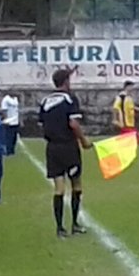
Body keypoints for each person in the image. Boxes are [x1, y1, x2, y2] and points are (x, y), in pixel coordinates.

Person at [39, 69, 93, 238]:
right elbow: (74, 124)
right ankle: (75, 224)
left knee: (59, 187)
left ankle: (60, 228)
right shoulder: (70, 99)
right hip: (68, 147)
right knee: (76, 184)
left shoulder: (45, 101)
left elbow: (42, 125)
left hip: (52, 148)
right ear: (66, 81)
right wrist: (84, 141)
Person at [0, 90, 20, 156]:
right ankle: (8, 151)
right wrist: (6, 120)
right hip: (10, 121)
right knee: (9, 137)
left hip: (15, 121)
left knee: (14, 137)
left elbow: (17, 110)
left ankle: (12, 150)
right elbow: (4, 110)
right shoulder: (6, 99)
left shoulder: (15, 99)